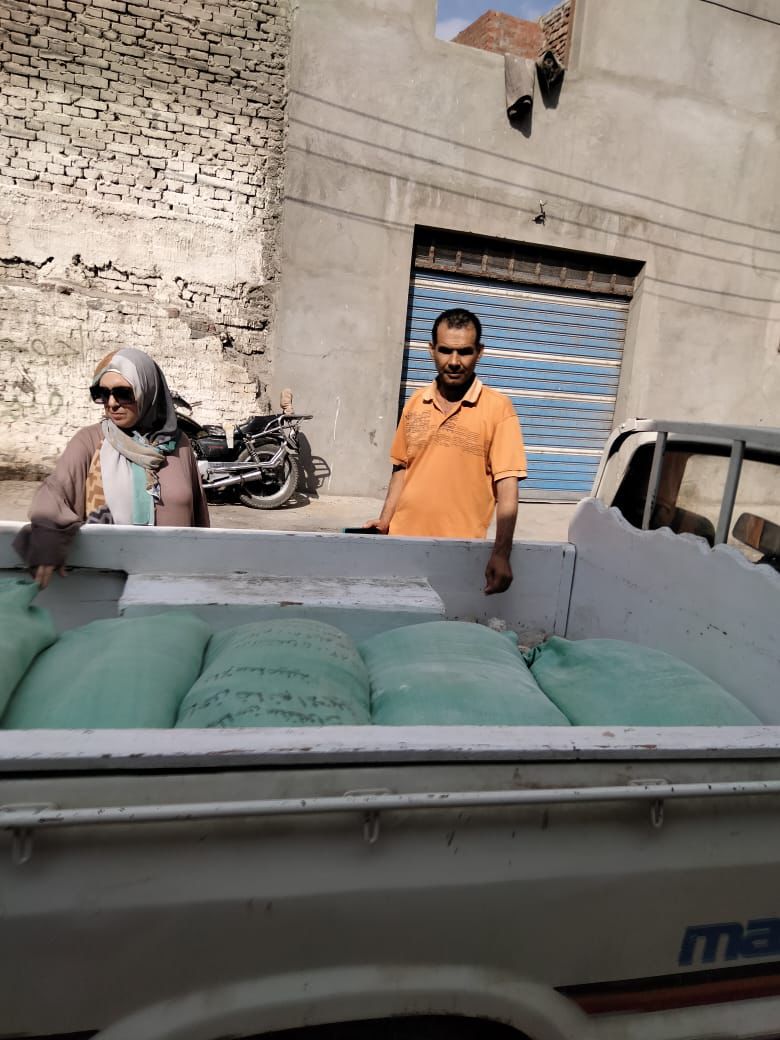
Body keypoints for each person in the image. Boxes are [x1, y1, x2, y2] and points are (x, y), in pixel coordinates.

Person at [14, 347, 210, 589]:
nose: (112, 403)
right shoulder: (90, 441)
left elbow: (200, 519)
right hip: (109, 588)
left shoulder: (180, 445)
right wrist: (48, 536)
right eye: (102, 394)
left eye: (123, 393)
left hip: (176, 583)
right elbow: (55, 491)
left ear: (148, 390)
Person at [365, 308, 527, 595]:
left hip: (459, 552)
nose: (453, 362)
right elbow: (401, 467)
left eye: (464, 352)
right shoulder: (416, 402)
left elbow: (507, 486)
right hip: (402, 544)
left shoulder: (498, 409)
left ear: (479, 352)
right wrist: (386, 521)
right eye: (445, 351)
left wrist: (502, 553)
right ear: (432, 350)